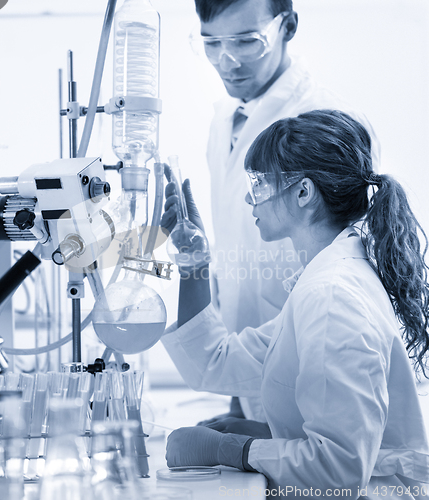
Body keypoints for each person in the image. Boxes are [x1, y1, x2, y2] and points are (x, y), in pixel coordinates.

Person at [161, 110, 429, 495]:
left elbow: (338, 470)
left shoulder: (333, 297)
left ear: (303, 192)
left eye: (259, 183)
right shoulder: (321, 282)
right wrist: (194, 263)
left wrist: (235, 449)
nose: (249, 197)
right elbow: (214, 363)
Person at [176, 0, 382, 424]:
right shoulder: (223, 120)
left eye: (246, 41)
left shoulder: (324, 122)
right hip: (253, 368)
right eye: (211, 44)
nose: (226, 61)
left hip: (316, 371)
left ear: (287, 26)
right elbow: (238, 255)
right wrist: (241, 397)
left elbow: (350, 254)